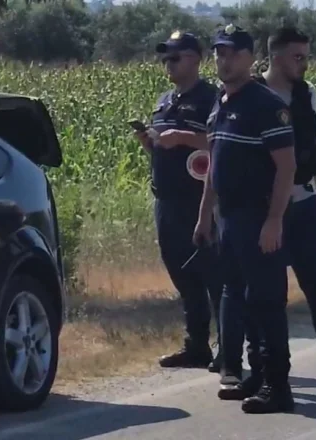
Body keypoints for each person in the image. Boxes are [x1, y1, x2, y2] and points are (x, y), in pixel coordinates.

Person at [225, 27, 316, 393]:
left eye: (306, 56)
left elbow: (311, 150)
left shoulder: (306, 94)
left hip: (306, 205)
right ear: (276, 57)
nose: (304, 64)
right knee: (264, 294)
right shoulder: (252, 97)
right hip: (266, 211)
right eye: (298, 57)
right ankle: (263, 371)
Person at [194, 24, 296, 414]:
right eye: (219, 52)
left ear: (251, 58)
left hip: (257, 215)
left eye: (233, 52)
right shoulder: (221, 102)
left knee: (268, 301)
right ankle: (257, 375)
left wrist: (274, 220)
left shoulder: (264, 104)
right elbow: (213, 167)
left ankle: (278, 386)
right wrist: (205, 217)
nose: (224, 59)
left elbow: (285, 168)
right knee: (244, 299)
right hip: (229, 219)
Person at [134, 31, 223, 372]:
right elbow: (162, 147)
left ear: (195, 59)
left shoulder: (211, 99)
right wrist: (150, 142)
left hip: (200, 200)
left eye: (175, 57)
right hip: (167, 200)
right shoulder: (163, 101)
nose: (167, 64)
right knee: (183, 276)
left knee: (214, 276)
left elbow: (220, 141)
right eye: (165, 58)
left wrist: (184, 137)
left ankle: (228, 347)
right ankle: (196, 345)